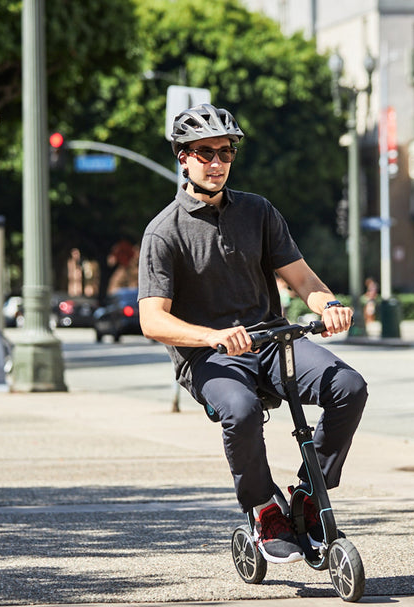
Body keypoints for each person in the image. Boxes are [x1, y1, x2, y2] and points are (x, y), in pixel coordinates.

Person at [137, 104, 367, 564]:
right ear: (183, 158)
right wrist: (212, 337)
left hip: (273, 342)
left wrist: (331, 305)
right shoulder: (164, 233)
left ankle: (306, 493)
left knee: (349, 386)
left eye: (225, 152)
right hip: (209, 357)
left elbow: (303, 280)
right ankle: (264, 508)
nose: (217, 162)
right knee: (240, 412)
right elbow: (152, 320)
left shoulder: (258, 211)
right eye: (205, 153)